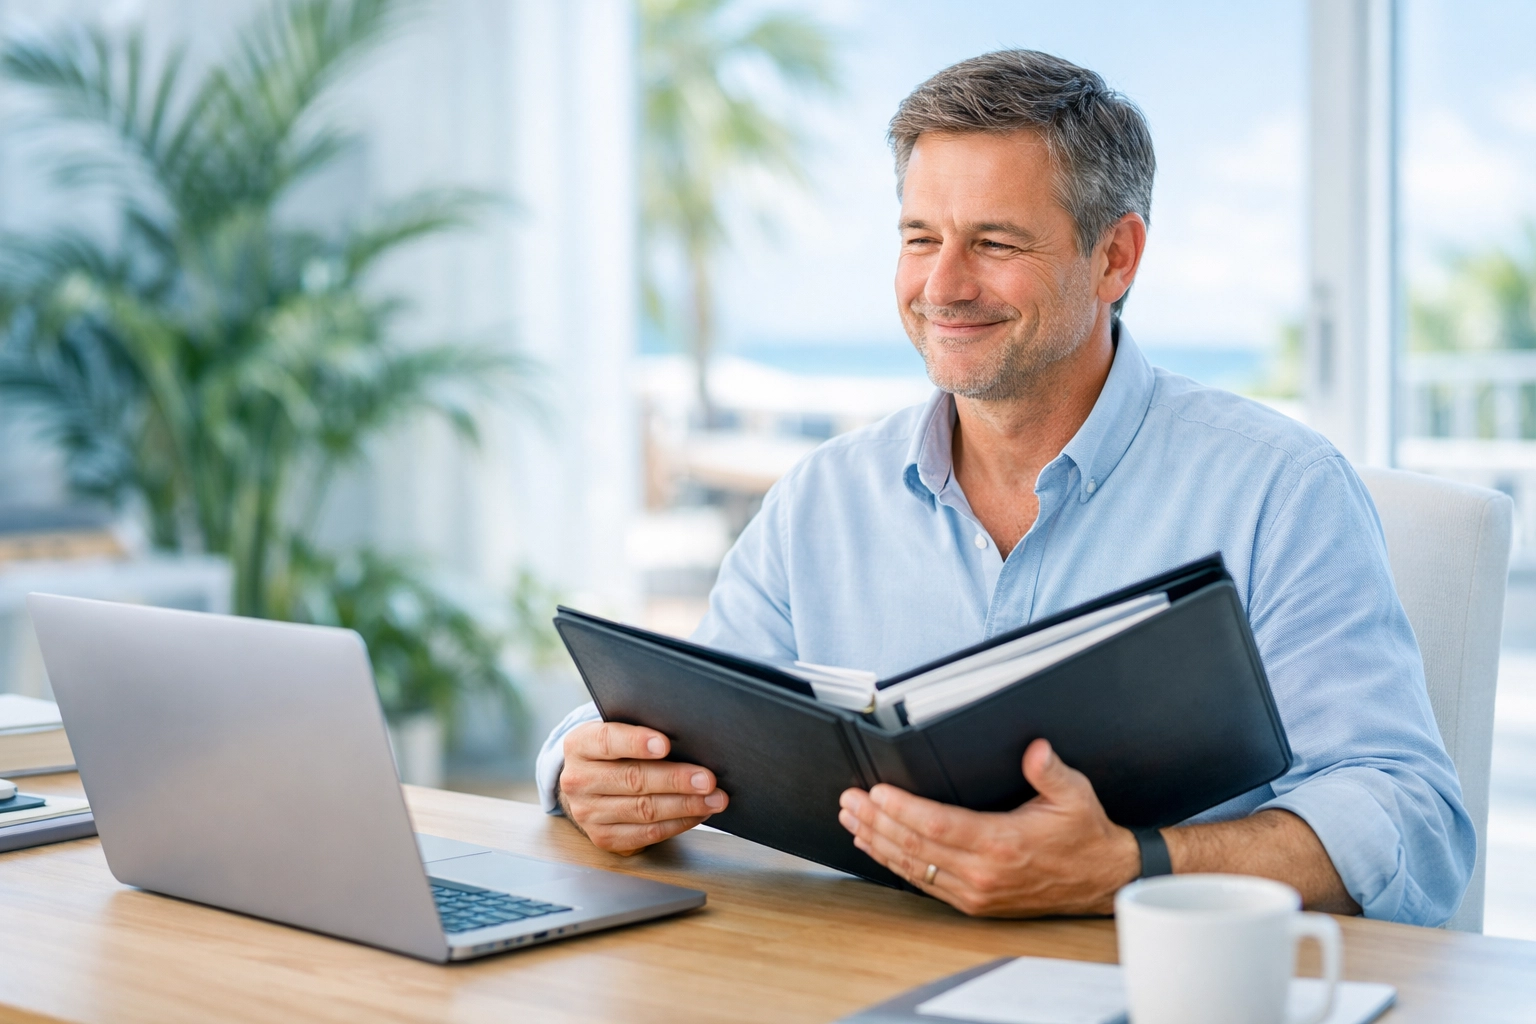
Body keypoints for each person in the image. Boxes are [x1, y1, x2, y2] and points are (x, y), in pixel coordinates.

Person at [535, 49, 1473, 926]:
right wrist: (587, 767)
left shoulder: (1281, 490)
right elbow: (696, 713)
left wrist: (1130, 866)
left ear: (1116, 258)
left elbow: (1409, 818)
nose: (942, 285)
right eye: (919, 236)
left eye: (993, 241)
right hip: (859, 979)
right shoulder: (822, 498)